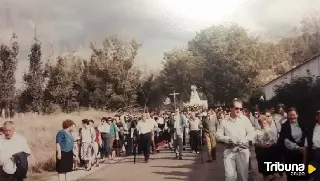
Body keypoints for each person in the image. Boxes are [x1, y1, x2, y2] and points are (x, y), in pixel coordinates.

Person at [216, 100, 255, 181]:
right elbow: (218, 135)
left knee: (243, 177)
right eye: (237, 108)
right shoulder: (224, 121)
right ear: (231, 108)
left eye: (241, 109)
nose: (239, 111)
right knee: (230, 176)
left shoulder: (244, 119)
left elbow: (251, 133)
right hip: (229, 151)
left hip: (242, 150)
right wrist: (227, 139)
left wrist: (243, 140)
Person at [278, 107, 308, 181]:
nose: (292, 117)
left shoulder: (302, 125)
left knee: (302, 176)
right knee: (292, 177)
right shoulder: (285, 126)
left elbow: (306, 137)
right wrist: (298, 148)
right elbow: (285, 141)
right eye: (290, 115)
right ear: (287, 116)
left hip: (302, 155)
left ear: (297, 115)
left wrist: (304, 148)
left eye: (294, 115)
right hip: (290, 155)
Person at [306, 108, 320, 181]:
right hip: (314, 155)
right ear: (316, 117)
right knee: (316, 176)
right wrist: (304, 162)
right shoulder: (311, 129)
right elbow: (306, 146)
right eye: (318, 114)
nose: (319, 115)